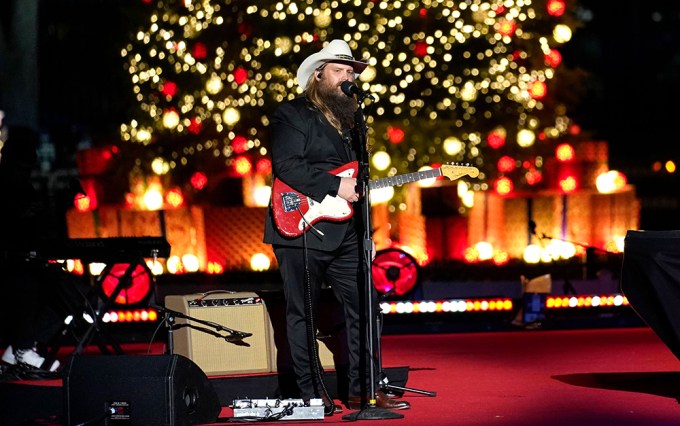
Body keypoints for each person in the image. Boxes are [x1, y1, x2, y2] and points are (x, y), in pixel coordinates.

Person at [263, 39, 410, 415]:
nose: (348, 77)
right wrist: (335, 185)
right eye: (340, 70)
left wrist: (366, 234)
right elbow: (287, 166)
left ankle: (365, 391)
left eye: (351, 72)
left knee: (366, 306)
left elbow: (361, 182)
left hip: (347, 233)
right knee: (303, 314)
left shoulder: (354, 121)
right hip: (300, 228)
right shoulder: (292, 114)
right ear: (318, 75)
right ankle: (312, 394)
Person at [0, 127, 61, 374]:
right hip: (11, 266)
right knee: (27, 286)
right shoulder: (9, 186)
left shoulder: (24, 187)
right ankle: (23, 349)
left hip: (22, 260)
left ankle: (18, 349)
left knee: (59, 292)